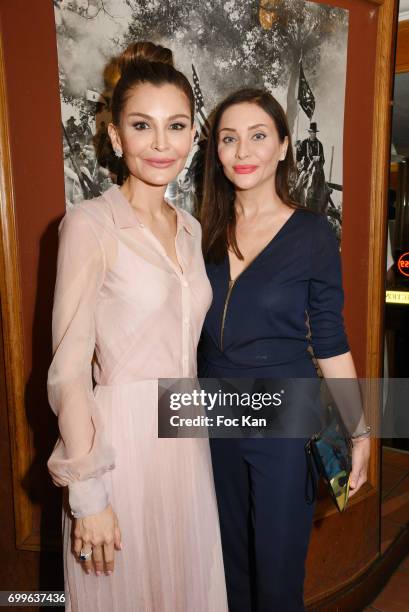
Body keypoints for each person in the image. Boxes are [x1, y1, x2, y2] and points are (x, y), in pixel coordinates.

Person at [47, 41, 228, 612]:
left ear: (193, 136)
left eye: (175, 126)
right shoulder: (89, 225)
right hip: (118, 447)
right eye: (142, 126)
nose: (160, 143)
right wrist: (88, 493)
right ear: (117, 137)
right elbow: (69, 372)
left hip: (185, 437)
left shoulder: (193, 230)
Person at [198, 88, 370, 611]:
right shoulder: (199, 231)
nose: (243, 151)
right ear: (217, 151)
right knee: (226, 568)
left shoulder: (313, 233)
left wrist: (360, 429)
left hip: (282, 413)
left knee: (275, 576)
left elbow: (331, 339)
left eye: (258, 136)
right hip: (210, 411)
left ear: (282, 147)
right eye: (229, 139)